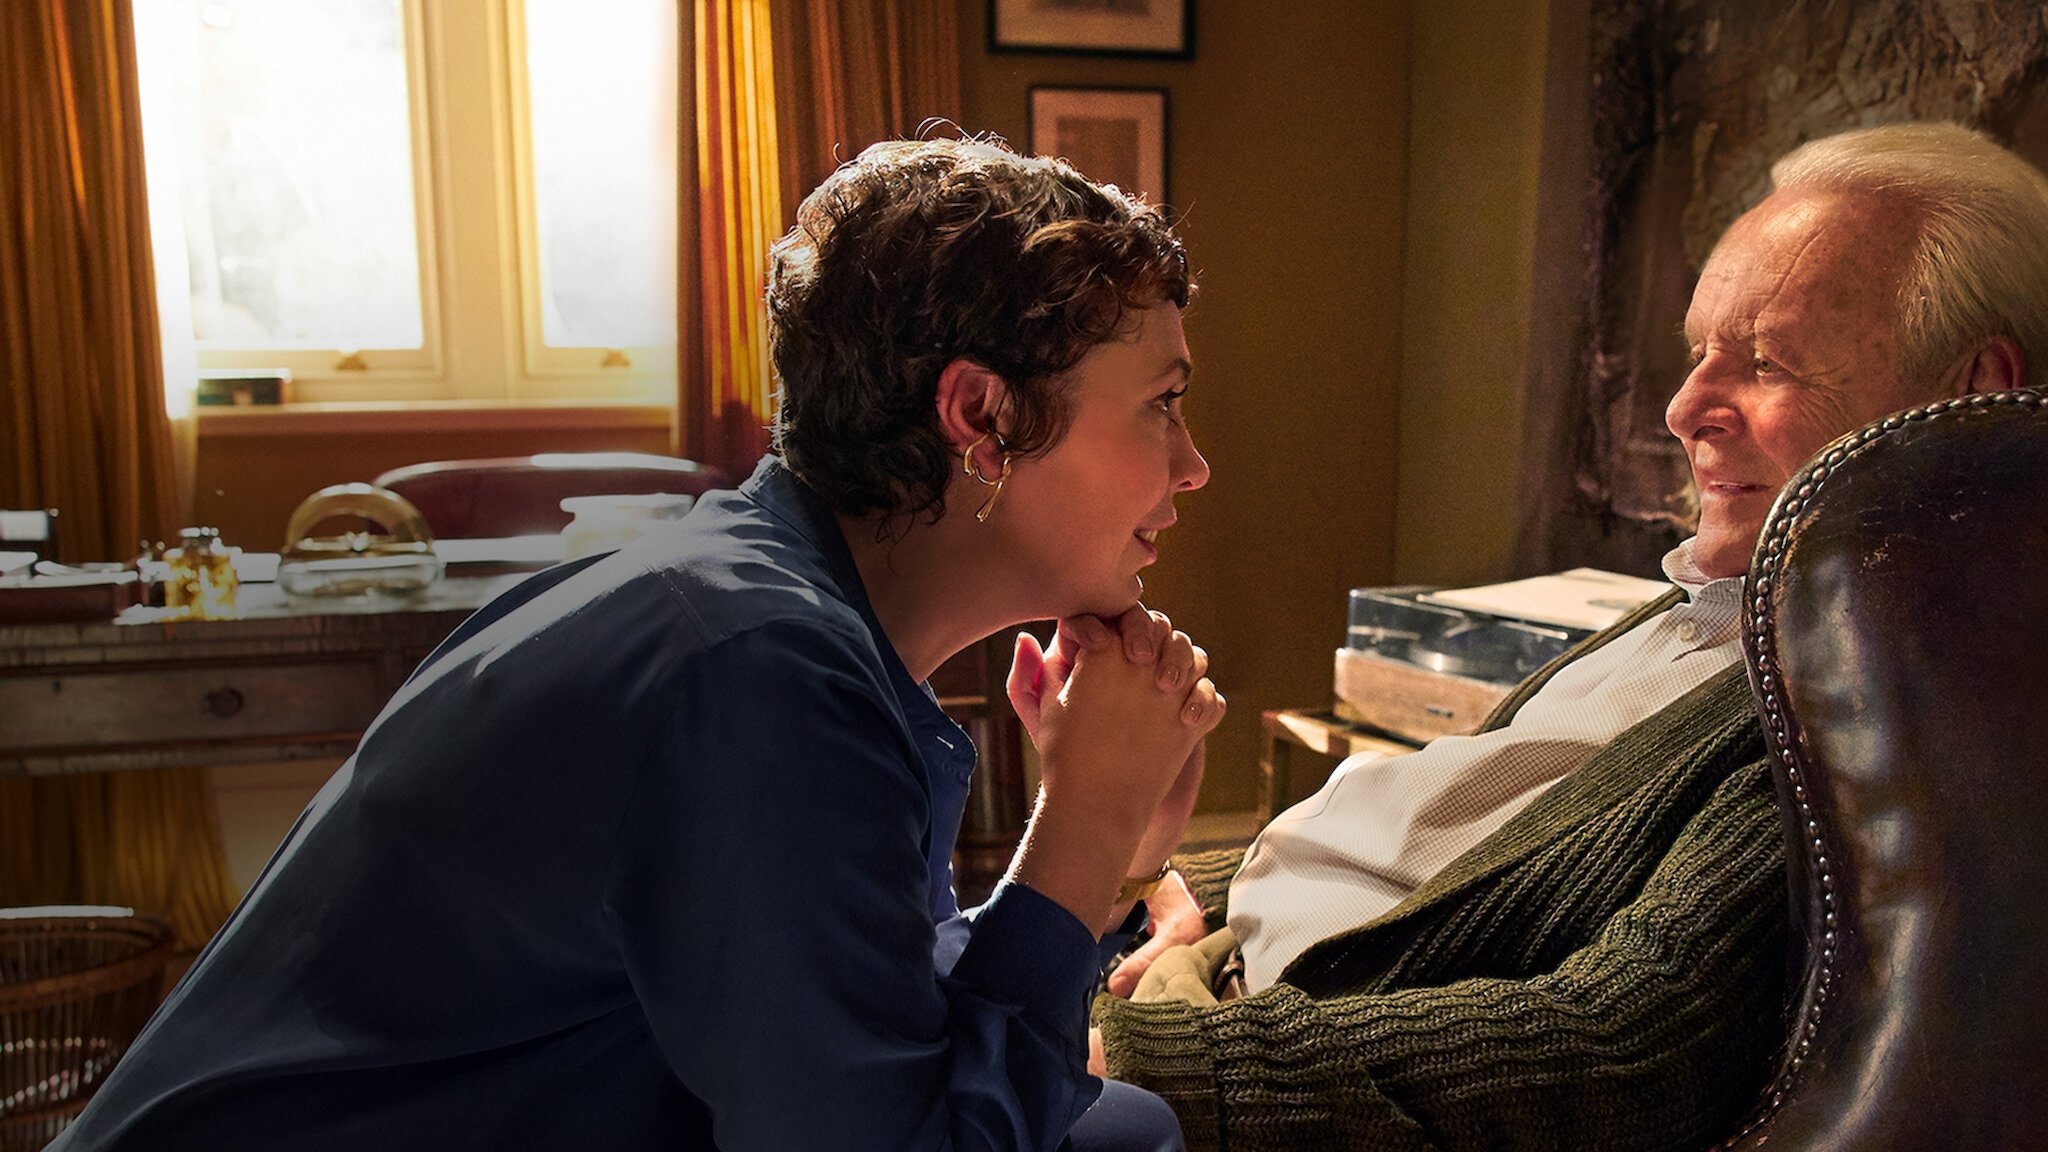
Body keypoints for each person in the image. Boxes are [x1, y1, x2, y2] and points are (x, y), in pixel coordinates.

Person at [55, 138, 1222, 1152]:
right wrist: (1081, 823)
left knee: (1120, 1126)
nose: (1191, 467)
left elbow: (856, 1009)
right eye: (1160, 403)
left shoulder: (778, 618)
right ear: (981, 418)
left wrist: (1107, 858)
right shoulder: (755, 672)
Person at [1091, 121, 2048, 1151]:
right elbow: (1467, 825)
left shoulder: (1858, 707)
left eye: (1766, 363)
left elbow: (1616, 1050)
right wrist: (1199, 889)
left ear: (1971, 394)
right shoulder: (1718, 600)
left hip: (1246, 1067)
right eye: (1696, 353)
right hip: (1207, 962)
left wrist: (1141, 1068)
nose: (1683, 408)